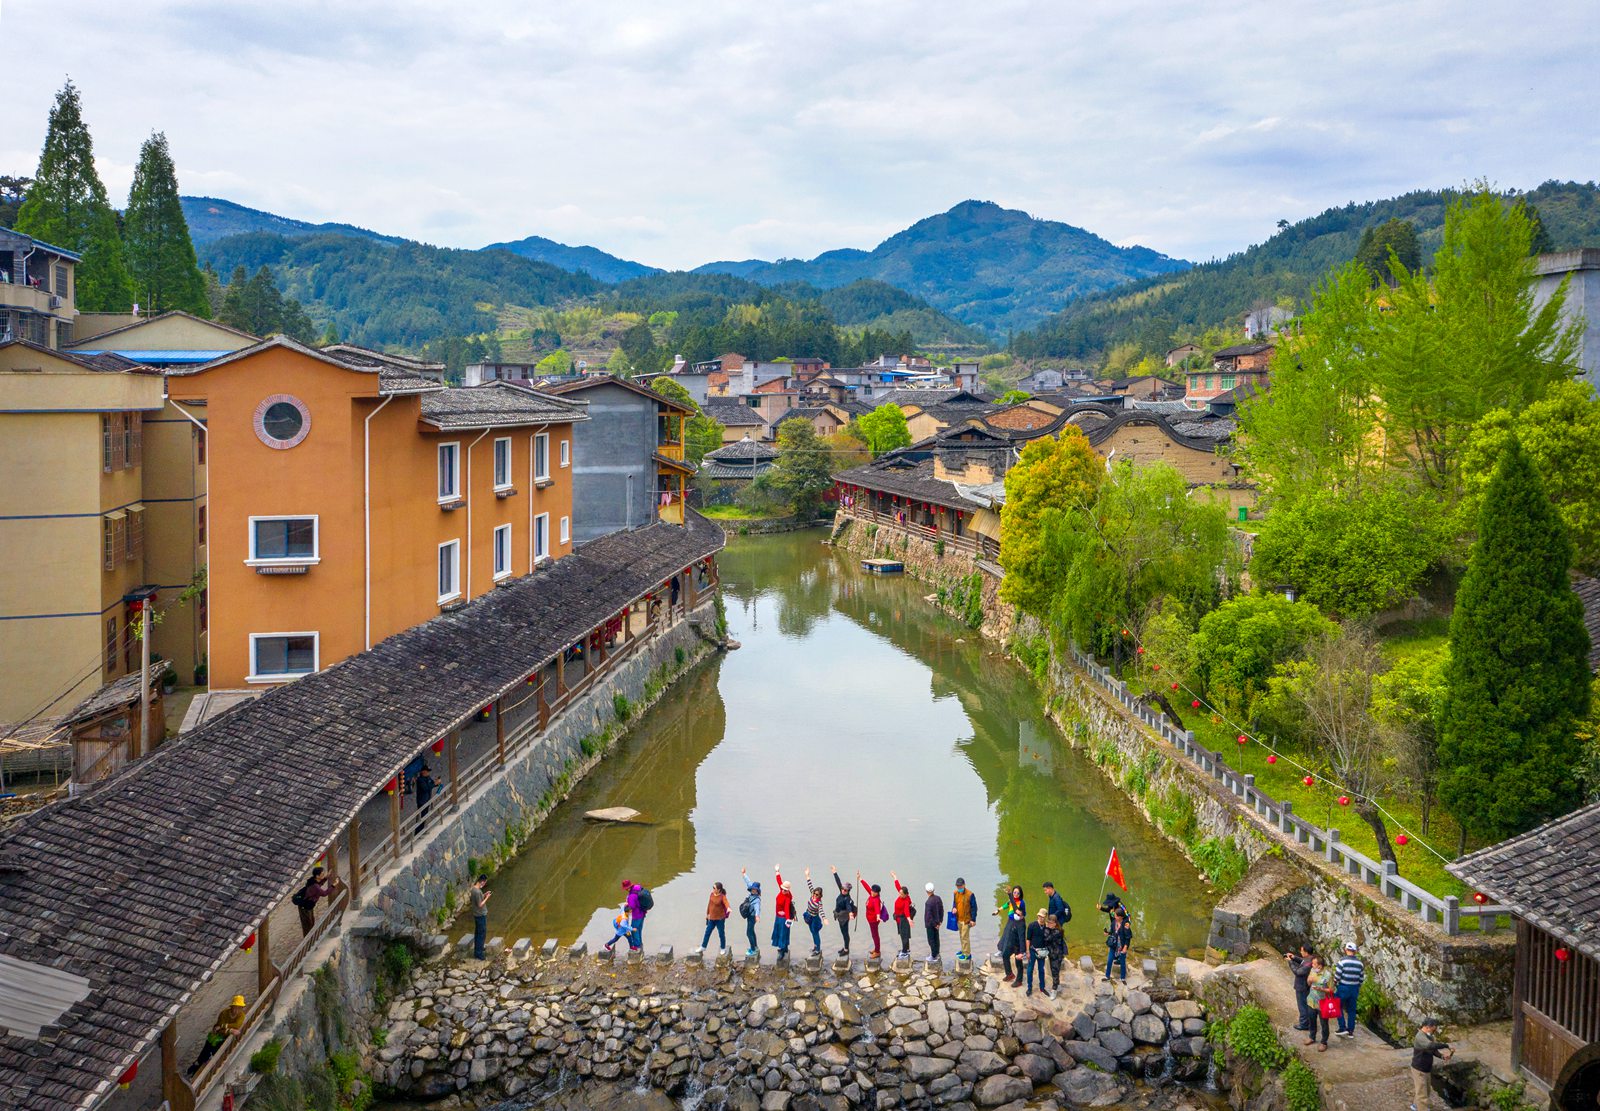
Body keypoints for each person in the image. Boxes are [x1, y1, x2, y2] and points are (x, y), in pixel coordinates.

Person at [187, 995, 247, 1075]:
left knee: (213, 1055)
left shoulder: (241, 1015)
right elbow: (218, 1028)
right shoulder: (224, 1013)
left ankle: (199, 1069)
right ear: (232, 1006)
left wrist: (223, 1027)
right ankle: (195, 1066)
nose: (237, 1010)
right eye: (235, 1007)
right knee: (206, 1051)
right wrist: (230, 1030)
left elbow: (236, 1025)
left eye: (239, 1008)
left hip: (223, 1040)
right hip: (216, 1036)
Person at [1410, 1017, 1452, 1110]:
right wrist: (1445, 1045)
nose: (1434, 1031)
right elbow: (1431, 1045)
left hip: (1426, 1069)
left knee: (1425, 1090)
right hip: (1419, 1069)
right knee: (1422, 1094)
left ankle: (1415, 1105)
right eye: (1434, 1029)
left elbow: (1433, 1050)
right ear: (1428, 1027)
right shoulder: (1420, 1036)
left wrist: (1442, 1056)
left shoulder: (1429, 1036)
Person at [291, 866, 342, 937]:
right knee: (308, 925)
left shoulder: (313, 880)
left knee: (311, 922)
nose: (324, 875)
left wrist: (326, 877)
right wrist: (334, 885)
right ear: (317, 876)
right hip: (305, 907)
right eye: (322, 874)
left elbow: (320, 883)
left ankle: (311, 938)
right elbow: (324, 893)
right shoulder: (315, 886)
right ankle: (308, 941)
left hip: (308, 906)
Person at [995, 885, 1027, 985]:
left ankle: (1019, 980)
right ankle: (1009, 974)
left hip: (1017, 944)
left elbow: (1022, 937)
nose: (1016, 894)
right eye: (1014, 892)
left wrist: (1022, 951)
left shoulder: (1021, 920)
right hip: (1011, 940)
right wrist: (998, 910)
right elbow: (1008, 904)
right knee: (1005, 955)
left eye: (1017, 893)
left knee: (1018, 961)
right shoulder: (1011, 919)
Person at [1334, 941, 1365, 1039]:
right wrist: (1357, 986)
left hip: (1343, 987)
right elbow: (1361, 978)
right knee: (1351, 1010)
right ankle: (1350, 1031)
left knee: (1338, 1006)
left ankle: (1342, 1027)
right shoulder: (1360, 964)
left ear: (1346, 950)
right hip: (1354, 988)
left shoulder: (1342, 962)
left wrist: (1335, 983)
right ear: (1355, 951)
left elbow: (1337, 976)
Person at [1305, 956, 1334, 1051]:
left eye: (1314, 964)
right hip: (1312, 1001)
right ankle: (1312, 1037)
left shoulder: (1328, 975)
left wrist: (1321, 989)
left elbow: (1332, 990)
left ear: (1320, 966)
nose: (1312, 965)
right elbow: (1309, 983)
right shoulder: (1312, 971)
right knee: (1312, 1020)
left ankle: (1324, 1042)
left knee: (1324, 1024)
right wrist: (1309, 981)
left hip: (1323, 1003)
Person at [1285, 945, 1315, 1033]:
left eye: (1302, 951)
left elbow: (1298, 972)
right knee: (1306, 1004)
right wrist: (1294, 957)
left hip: (1302, 986)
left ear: (1306, 952)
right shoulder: (1311, 959)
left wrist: (1290, 962)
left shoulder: (1308, 964)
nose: (1301, 952)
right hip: (1306, 986)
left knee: (1302, 1005)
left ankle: (1304, 1024)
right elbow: (1302, 961)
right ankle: (1308, 1022)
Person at [858, 872, 887, 960]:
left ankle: (877, 952)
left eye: (874, 892)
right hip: (870, 919)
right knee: (874, 934)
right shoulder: (871, 895)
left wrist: (878, 916)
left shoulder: (876, 900)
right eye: (872, 890)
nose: (872, 892)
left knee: (875, 935)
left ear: (877, 893)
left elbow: (877, 909)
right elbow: (867, 887)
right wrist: (860, 879)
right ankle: (876, 948)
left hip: (874, 920)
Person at [1024, 909, 1052, 997]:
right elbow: (1028, 939)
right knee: (1030, 969)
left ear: (1045, 917)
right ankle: (1029, 987)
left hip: (1042, 952)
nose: (1041, 918)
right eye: (1040, 916)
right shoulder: (1032, 925)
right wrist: (1027, 951)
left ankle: (1042, 987)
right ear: (1037, 916)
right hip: (1033, 950)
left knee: (1041, 969)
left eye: (1043, 917)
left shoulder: (1047, 928)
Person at [831, 867, 857, 956]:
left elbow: (848, 906)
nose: (843, 890)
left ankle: (846, 950)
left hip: (844, 918)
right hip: (839, 915)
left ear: (848, 891)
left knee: (845, 933)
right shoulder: (842, 893)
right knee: (843, 933)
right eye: (842, 888)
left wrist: (850, 914)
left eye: (845, 890)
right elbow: (838, 882)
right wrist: (835, 873)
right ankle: (845, 947)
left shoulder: (847, 898)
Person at [890, 872, 915, 960]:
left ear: (905, 894)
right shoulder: (903, 895)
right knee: (903, 934)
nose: (899, 894)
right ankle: (907, 949)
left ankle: (904, 952)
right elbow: (898, 886)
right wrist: (895, 877)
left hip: (903, 919)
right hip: (899, 919)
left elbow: (906, 911)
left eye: (901, 894)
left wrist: (909, 920)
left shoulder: (906, 901)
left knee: (904, 935)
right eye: (899, 893)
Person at [700, 881, 730, 953]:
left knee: (721, 934)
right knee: (707, 932)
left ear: (719, 889)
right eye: (713, 887)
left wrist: (728, 907)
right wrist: (707, 914)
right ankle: (703, 947)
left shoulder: (722, 896)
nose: (713, 889)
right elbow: (709, 905)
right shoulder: (711, 895)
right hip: (712, 918)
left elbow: (726, 902)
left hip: (720, 919)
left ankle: (723, 948)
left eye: (714, 888)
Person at [772, 866, 795, 958]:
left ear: (788, 890)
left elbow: (786, 909)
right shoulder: (782, 890)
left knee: (782, 933)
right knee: (781, 932)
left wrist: (788, 920)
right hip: (778, 916)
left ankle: (782, 951)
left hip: (783, 918)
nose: (783, 890)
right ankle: (784, 948)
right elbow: (779, 881)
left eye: (785, 890)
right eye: (782, 889)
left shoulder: (787, 897)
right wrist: (777, 871)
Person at [801, 868, 826, 956]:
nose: (815, 895)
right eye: (814, 893)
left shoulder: (819, 902)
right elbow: (810, 885)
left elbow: (821, 911)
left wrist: (824, 918)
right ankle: (815, 946)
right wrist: (807, 875)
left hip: (815, 918)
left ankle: (818, 949)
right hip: (808, 916)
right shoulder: (812, 894)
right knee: (812, 932)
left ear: (820, 895)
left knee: (815, 933)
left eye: (817, 894)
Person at [952, 878, 977, 961]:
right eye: (958, 886)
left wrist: (973, 919)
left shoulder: (970, 894)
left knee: (964, 937)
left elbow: (974, 908)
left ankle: (967, 954)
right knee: (961, 936)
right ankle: (963, 950)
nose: (959, 888)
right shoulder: (955, 893)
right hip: (959, 918)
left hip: (967, 920)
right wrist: (954, 908)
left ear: (964, 885)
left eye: (960, 886)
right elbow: (954, 903)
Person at [1104, 907, 1131, 982]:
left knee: (1122, 962)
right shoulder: (1113, 923)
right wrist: (1107, 933)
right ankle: (1107, 976)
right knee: (1109, 960)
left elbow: (1128, 938)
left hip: (1122, 946)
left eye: (1116, 915)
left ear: (1120, 917)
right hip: (1114, 945)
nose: (1114, 916)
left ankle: (1123, 978)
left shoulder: (1126, 925)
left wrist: (1125, 948)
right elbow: (1112, 932)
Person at [739, 868, 762, 957]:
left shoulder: (757, 900)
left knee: (748, 933)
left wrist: (757, 916)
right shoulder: (752, 893)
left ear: (757, 891)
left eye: (755, 890)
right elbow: (748, 882)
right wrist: (744, 874)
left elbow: (757, 908)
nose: (753, 890)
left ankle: (753, 950)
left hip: (752, 917)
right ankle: (755, 946)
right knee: (752, 931)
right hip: (749, 916)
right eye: (752, 889)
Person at [1044, 913, 1066, 997]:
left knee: (1054, 971)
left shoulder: (1057, 932)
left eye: (1051, 923)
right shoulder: (1051, 930)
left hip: (1057, 954)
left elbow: (1047, 939)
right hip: (1052, 953)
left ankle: (1054, 989)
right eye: (1048, 922)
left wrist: (1046, 928)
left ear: (1055, 923)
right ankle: (1057, 983)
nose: (1049, 924)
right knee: (1055, 970)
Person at [470, 874, 491, 959]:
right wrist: (487, 898)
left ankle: (479, 948)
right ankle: (479, 953)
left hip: (476, 915)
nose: (484, 884)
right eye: (484, 882)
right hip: (480, 915)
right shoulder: (477, 891)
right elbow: (480, 904)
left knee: (478, 933)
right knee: (481, 934)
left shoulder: (474, 889)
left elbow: (477, 899)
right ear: (482, 881)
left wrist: (484, 894)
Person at [621, 880, 646, 952]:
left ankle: (637, 947)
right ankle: (640, 944)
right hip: (643, 913)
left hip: (637, 915)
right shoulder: (638, 888)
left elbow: (632, 906)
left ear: (627, 888)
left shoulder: (631, 896)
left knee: (634, 930)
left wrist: (627, 904)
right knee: (639, 929)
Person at [923, 883, 944, 964]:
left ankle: (933, 956)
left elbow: (929, 916)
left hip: (931, 925)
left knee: (931, 939)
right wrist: (940, 922)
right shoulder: (938, 898)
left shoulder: (928, 902)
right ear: (933, 890)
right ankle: (937, 952)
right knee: (936, 938)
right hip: (937, 922)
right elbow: (941, 910)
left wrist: (934, 924)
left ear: (926, 891)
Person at [415, 764, 437, 832]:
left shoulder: (428, 777)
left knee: (425, 816)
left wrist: (437, 783)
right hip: (422, 801)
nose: (428, 773)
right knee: (421, 817)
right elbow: (426, 788)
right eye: (427, 771)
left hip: (427, 799)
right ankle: (418, 832)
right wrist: (434, 784)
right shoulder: (420, 780)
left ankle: (422, 829)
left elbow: (432, 784)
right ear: (423, 772)